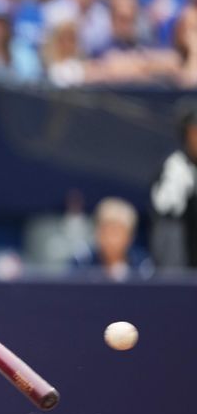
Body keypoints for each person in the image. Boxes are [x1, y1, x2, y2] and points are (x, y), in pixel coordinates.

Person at [150, 104, 197, 268]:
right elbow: (163, 206)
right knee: (169, 228)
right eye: (194, 133)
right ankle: (173, 283)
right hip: (182, 248)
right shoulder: (175, 165)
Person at [72, 197, 150, 281]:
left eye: (116, 232)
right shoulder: (83, 262)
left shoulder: (142, 265)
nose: (110, 239)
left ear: (130, 237)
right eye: (106, 231)